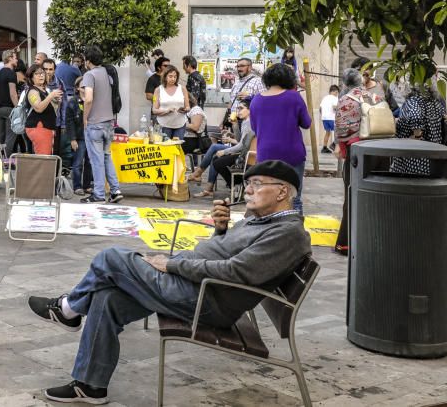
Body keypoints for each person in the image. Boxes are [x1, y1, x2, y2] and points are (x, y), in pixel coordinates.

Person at [27, 160, 311, 404]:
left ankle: (67, 309)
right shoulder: (259, 219)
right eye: (248, 183)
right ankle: (90, 386)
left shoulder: (288, 233)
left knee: (112, 257)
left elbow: (237, 272)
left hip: (205, 301)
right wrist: (221, 231)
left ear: (282, 191)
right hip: (194, 287)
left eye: (257, 184)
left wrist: (172, 264)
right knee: (107, 299)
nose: (247, 189)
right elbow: (228, 256)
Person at [250, 63, 311, 213]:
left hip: (265, 155)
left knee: (265, 195)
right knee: (293, 196)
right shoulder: (294, 97)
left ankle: (267, 230)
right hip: (292, 154)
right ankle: (294, 231)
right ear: (289, 79)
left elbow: (254, 128)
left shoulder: (256, 100)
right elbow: (306, 123)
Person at [333, 68, 375, 255]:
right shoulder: (373, 96)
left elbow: (342, 131)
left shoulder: (346, 100)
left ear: (345, 83)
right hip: (376, 151)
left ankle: (346, 243)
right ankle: (370, 240)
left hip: (356, 151)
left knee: (351, 195)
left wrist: (341, 149)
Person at [80, 47, 122, 204]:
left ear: (88, 61)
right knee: (106, 157)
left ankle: (98, 194)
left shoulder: (89, 75)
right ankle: (115, 190)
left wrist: (85, 118)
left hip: (95, 123)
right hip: (109, 122)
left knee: (96, 160)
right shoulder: (107, 72)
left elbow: (89, 98)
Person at [192, 99, 253, 197]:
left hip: (244, 155)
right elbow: (239, 139)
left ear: (250, 110)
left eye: (241, 108)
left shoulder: (250, 123)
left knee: (216, 157)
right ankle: (207, 184)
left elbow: (241, 145)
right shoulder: (246, 121)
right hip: (241, 151)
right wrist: (235, 125)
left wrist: (225, 151)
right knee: (215, 151)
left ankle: (234, 184)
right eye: (238, 108)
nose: (238, 111)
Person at [390, 84, 446, 176]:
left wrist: (417, 136)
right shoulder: (434, 101)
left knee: (409, 187)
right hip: (432, 156)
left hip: (413, 158)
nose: (399, 87)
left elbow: (415, 116)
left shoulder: (413, 101)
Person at [25, 64, 61, 155]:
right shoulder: (33, 91)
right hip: (39, 128)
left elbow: (52, 110)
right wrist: (51, 96)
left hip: (47, 128)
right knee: (43, 158)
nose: (41, 75)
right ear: (31, 78)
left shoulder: (44, 90)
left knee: (46, 157)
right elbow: (39, 108)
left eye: (42, 73)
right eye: (37, 74)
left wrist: (57, 101)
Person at [0, 50, 20, 155]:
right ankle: (7, 160)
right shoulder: (11, 73)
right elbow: (13, 93)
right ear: (9, 58)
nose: (16, 59)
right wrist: (18, 107)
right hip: (10, 109)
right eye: (15, 57)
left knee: (0, 136)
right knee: (10, 136)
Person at [152, 65, 189, 140]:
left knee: (177, 148)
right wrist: (167, 110)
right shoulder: (158, 90)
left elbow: (188, 107)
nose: (173, 79)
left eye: (175, 77)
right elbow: (154, 110)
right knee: (165, 148)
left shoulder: (182, 88)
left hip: (180, 124)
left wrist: (185, 109)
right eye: (170, 76)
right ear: (165, 76)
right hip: (164, 124)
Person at [319, 84, 339, 153]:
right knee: (337, 132)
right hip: (332, 118)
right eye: (336, 93)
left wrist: (323, 115)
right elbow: (334, 107)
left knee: (327, 132)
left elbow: (320, 109)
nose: (337, 94)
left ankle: (324, 147)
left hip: (324, 118)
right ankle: (334, 145)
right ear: (334, 91)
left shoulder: (325, 98)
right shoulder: (334, 98)